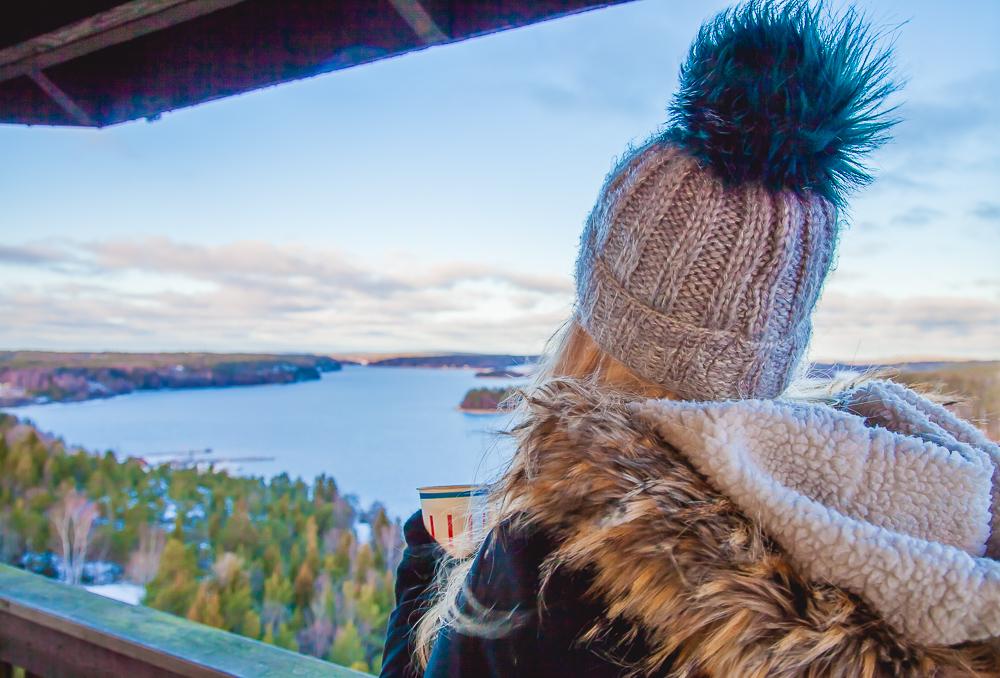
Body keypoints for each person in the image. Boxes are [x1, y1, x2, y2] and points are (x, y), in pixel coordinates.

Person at [382, 1, 1000, 676]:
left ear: (594, 319)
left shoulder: (547, 559)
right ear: (778, 344)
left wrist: (423, 563)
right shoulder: (889, 527)